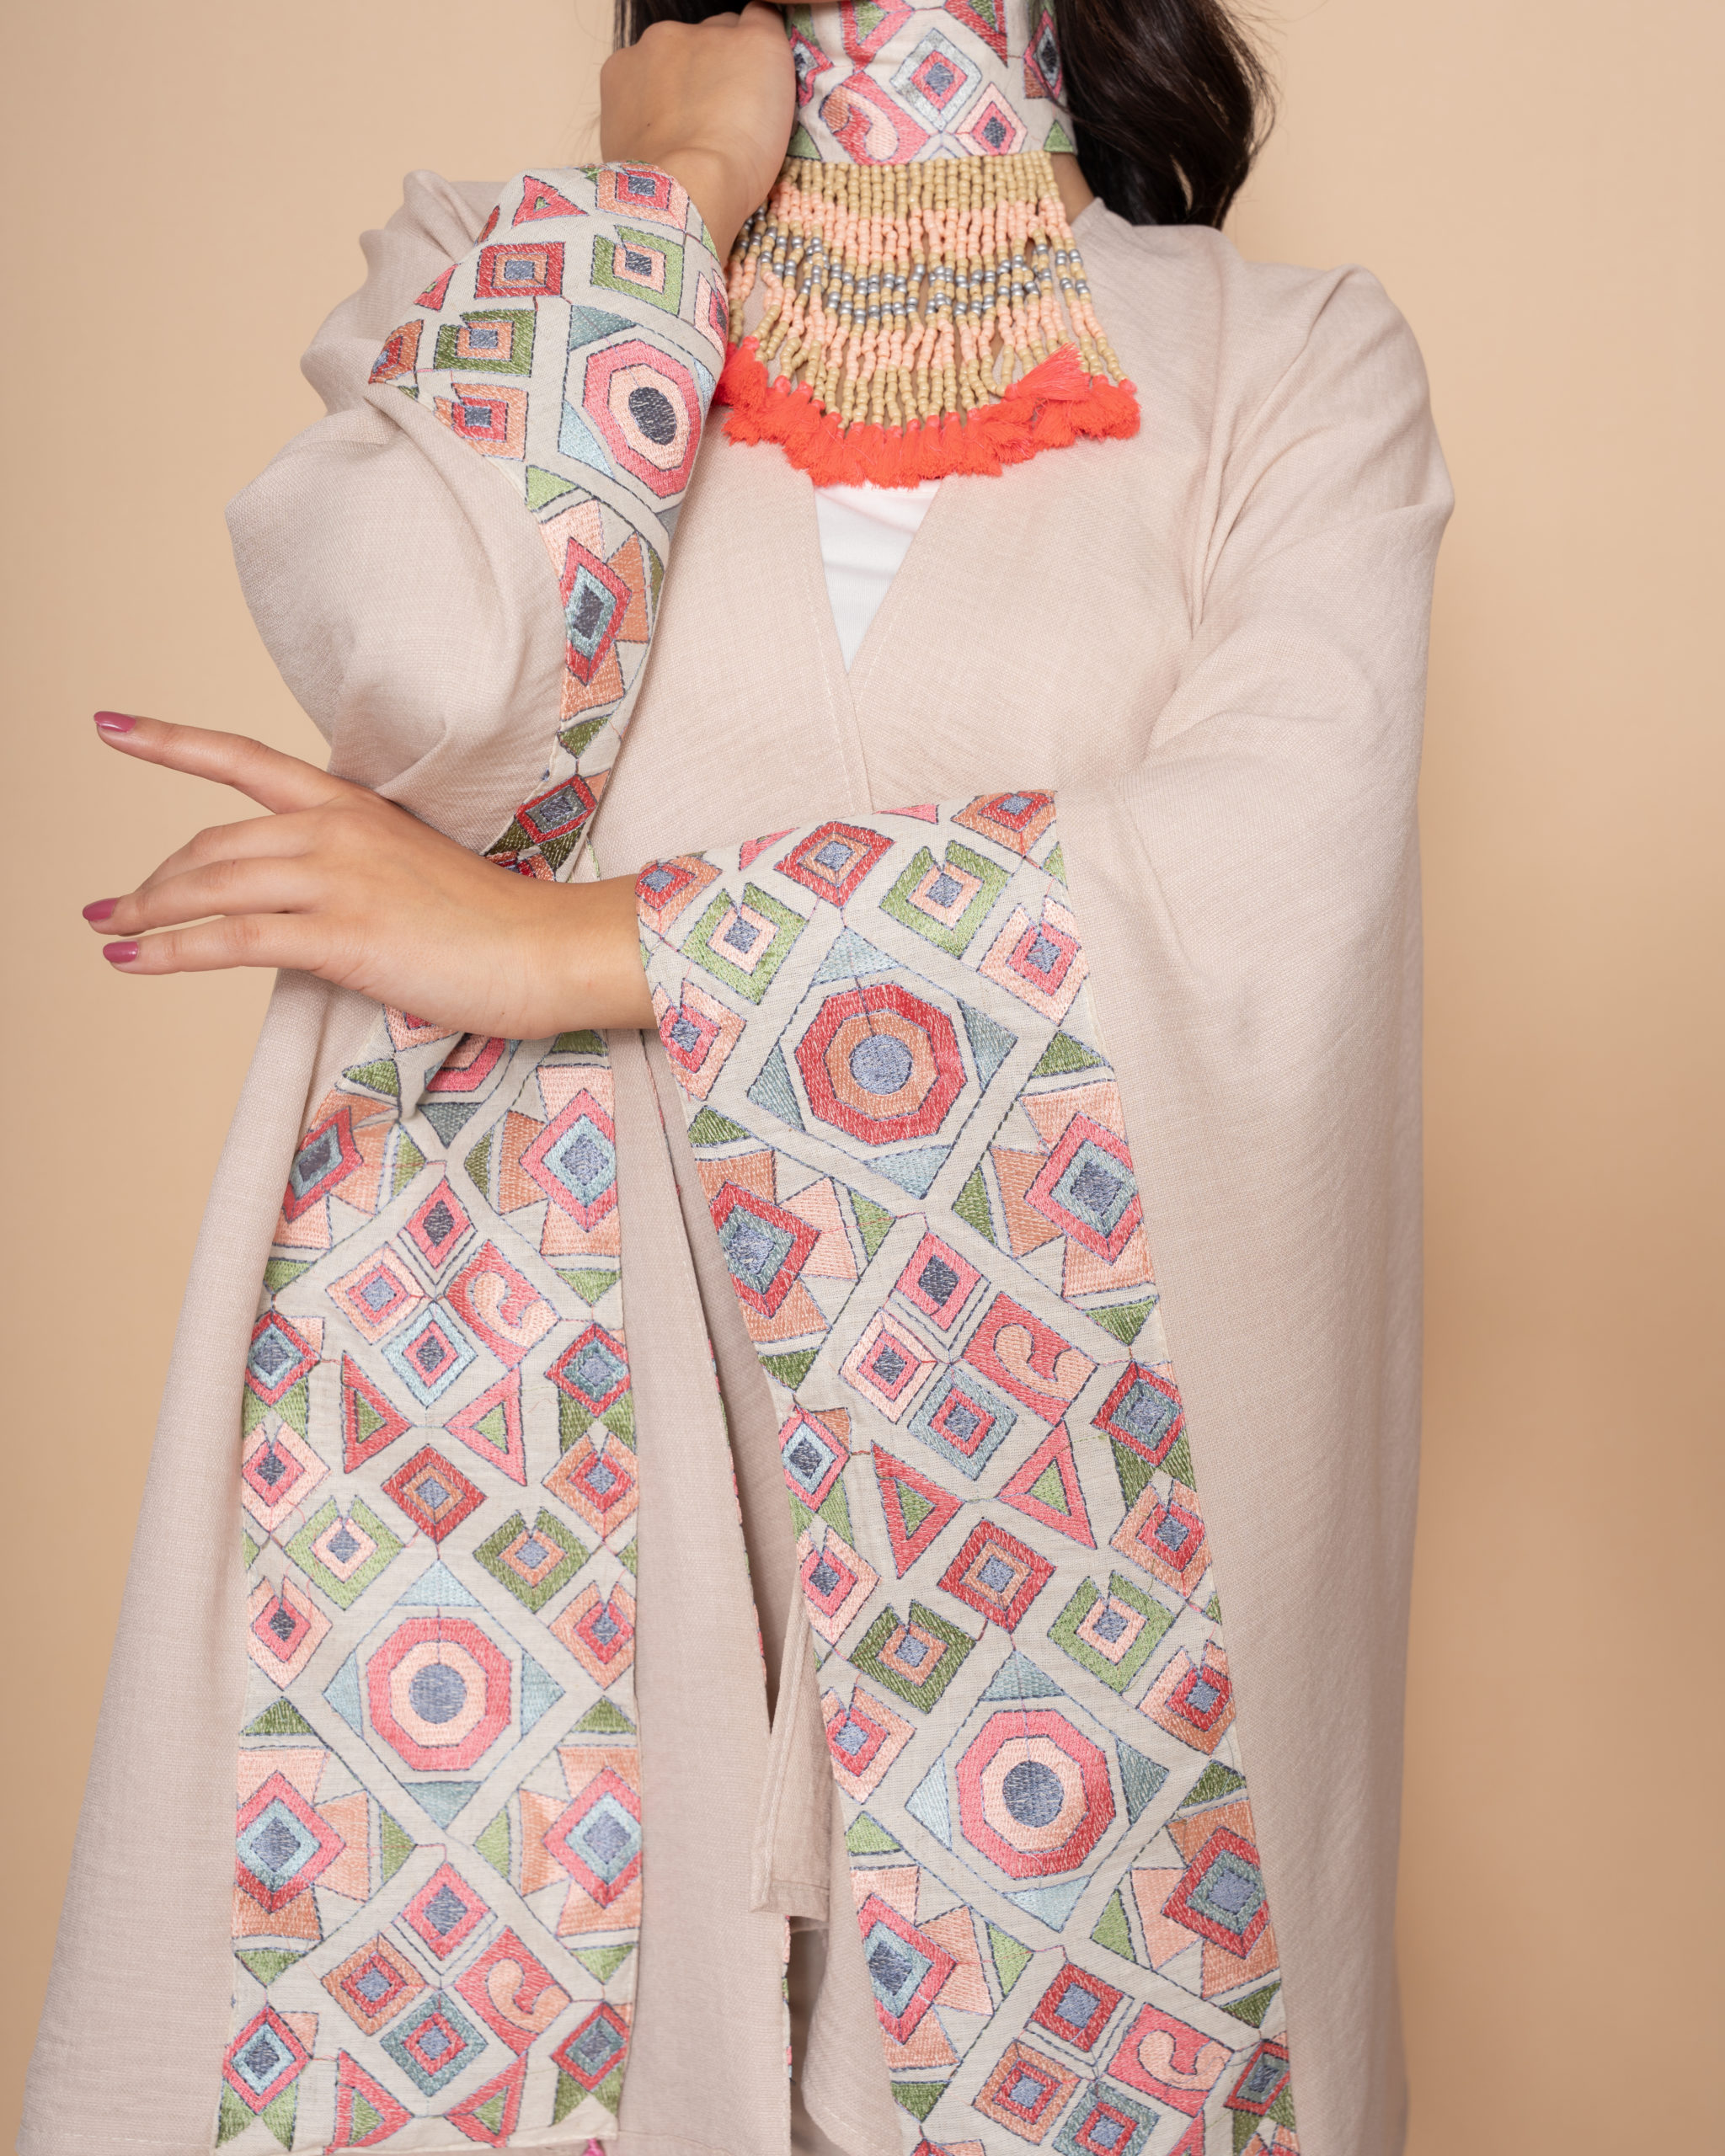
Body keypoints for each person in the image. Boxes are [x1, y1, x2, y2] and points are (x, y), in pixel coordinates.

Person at [23, 6, 1450, 2153]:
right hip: (528, 1494)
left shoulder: (1288, 362)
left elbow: (1271, 869)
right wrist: (672, 194)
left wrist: (563, 946)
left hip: (1049, 1530)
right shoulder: (508, 263)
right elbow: (429, 668)